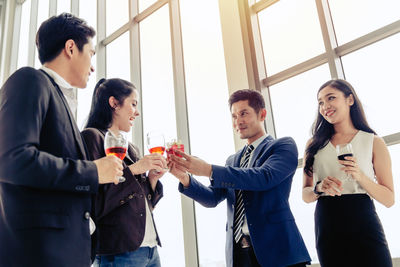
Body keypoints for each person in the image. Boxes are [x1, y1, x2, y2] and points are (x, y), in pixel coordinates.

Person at [0, 13, 123, 267]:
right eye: (90, 53)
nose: (92, 66)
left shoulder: (58, 97)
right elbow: (11, 159)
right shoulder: (30, 80)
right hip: (38, 255)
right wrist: (92, 172)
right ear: (70, 48)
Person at [169, 89, 311, 267]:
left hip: (277, 250)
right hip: (239, 254)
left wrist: (208, 170)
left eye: (244, 113)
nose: (238, 121)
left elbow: (263, 178)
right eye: (234, 116)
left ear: (262, 114)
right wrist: (185, 178)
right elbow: (212, 198)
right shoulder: (233, 160)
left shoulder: (282, 146)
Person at [302, 79, 394, 267]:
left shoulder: (374, 142)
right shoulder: (313, 145)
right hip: (328, 223)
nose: (325, 106)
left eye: (331, 98)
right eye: (320, 102)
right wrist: (319, 189)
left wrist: (360, 176)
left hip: (363, 219)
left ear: (349, 100)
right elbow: (305, 194)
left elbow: (389, 199)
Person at [81, 78, 168, 267]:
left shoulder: (131, 149)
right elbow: (95, 204)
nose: (137, 112)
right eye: (133, 104)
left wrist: (152, 179)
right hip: (119, 252)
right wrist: (136, 169)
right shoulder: (92, 137)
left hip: (150, 249)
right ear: (114, 103)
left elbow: (142, 205)